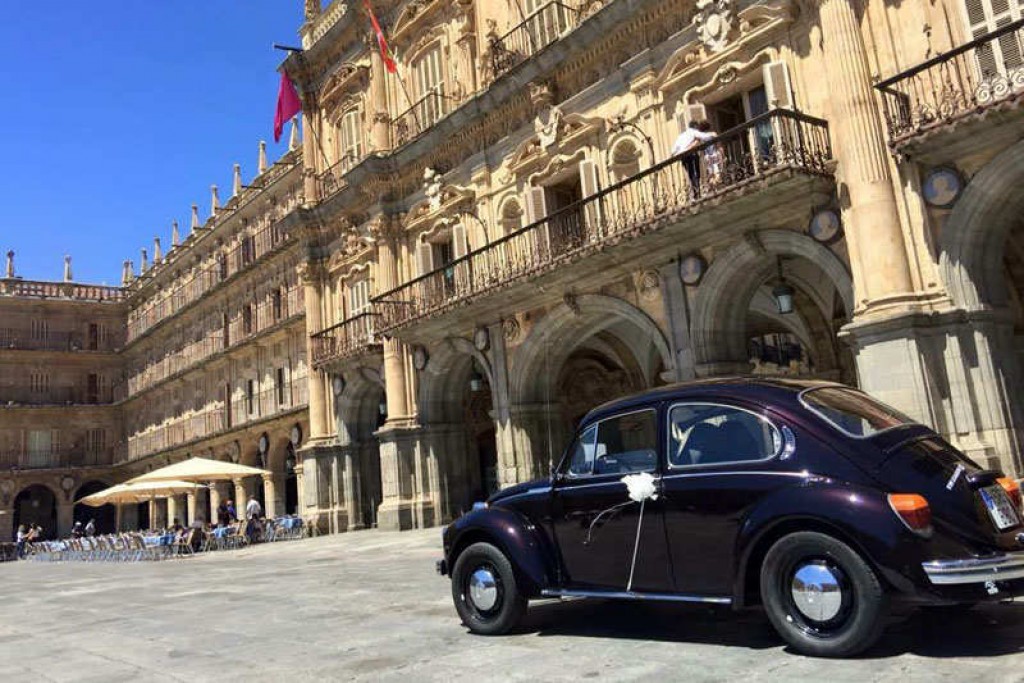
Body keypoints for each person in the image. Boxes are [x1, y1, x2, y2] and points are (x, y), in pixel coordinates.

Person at [671, 120, 715, 198]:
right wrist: (712, 134)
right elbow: (704, 136)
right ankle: (698, 193)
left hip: (683, 156)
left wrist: (674, 155)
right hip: (691, 155)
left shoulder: (681, 136)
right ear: (695, 127)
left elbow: (673, 150)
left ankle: (695, 193)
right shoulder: (693, 132)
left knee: (691, 174)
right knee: (696, 173)